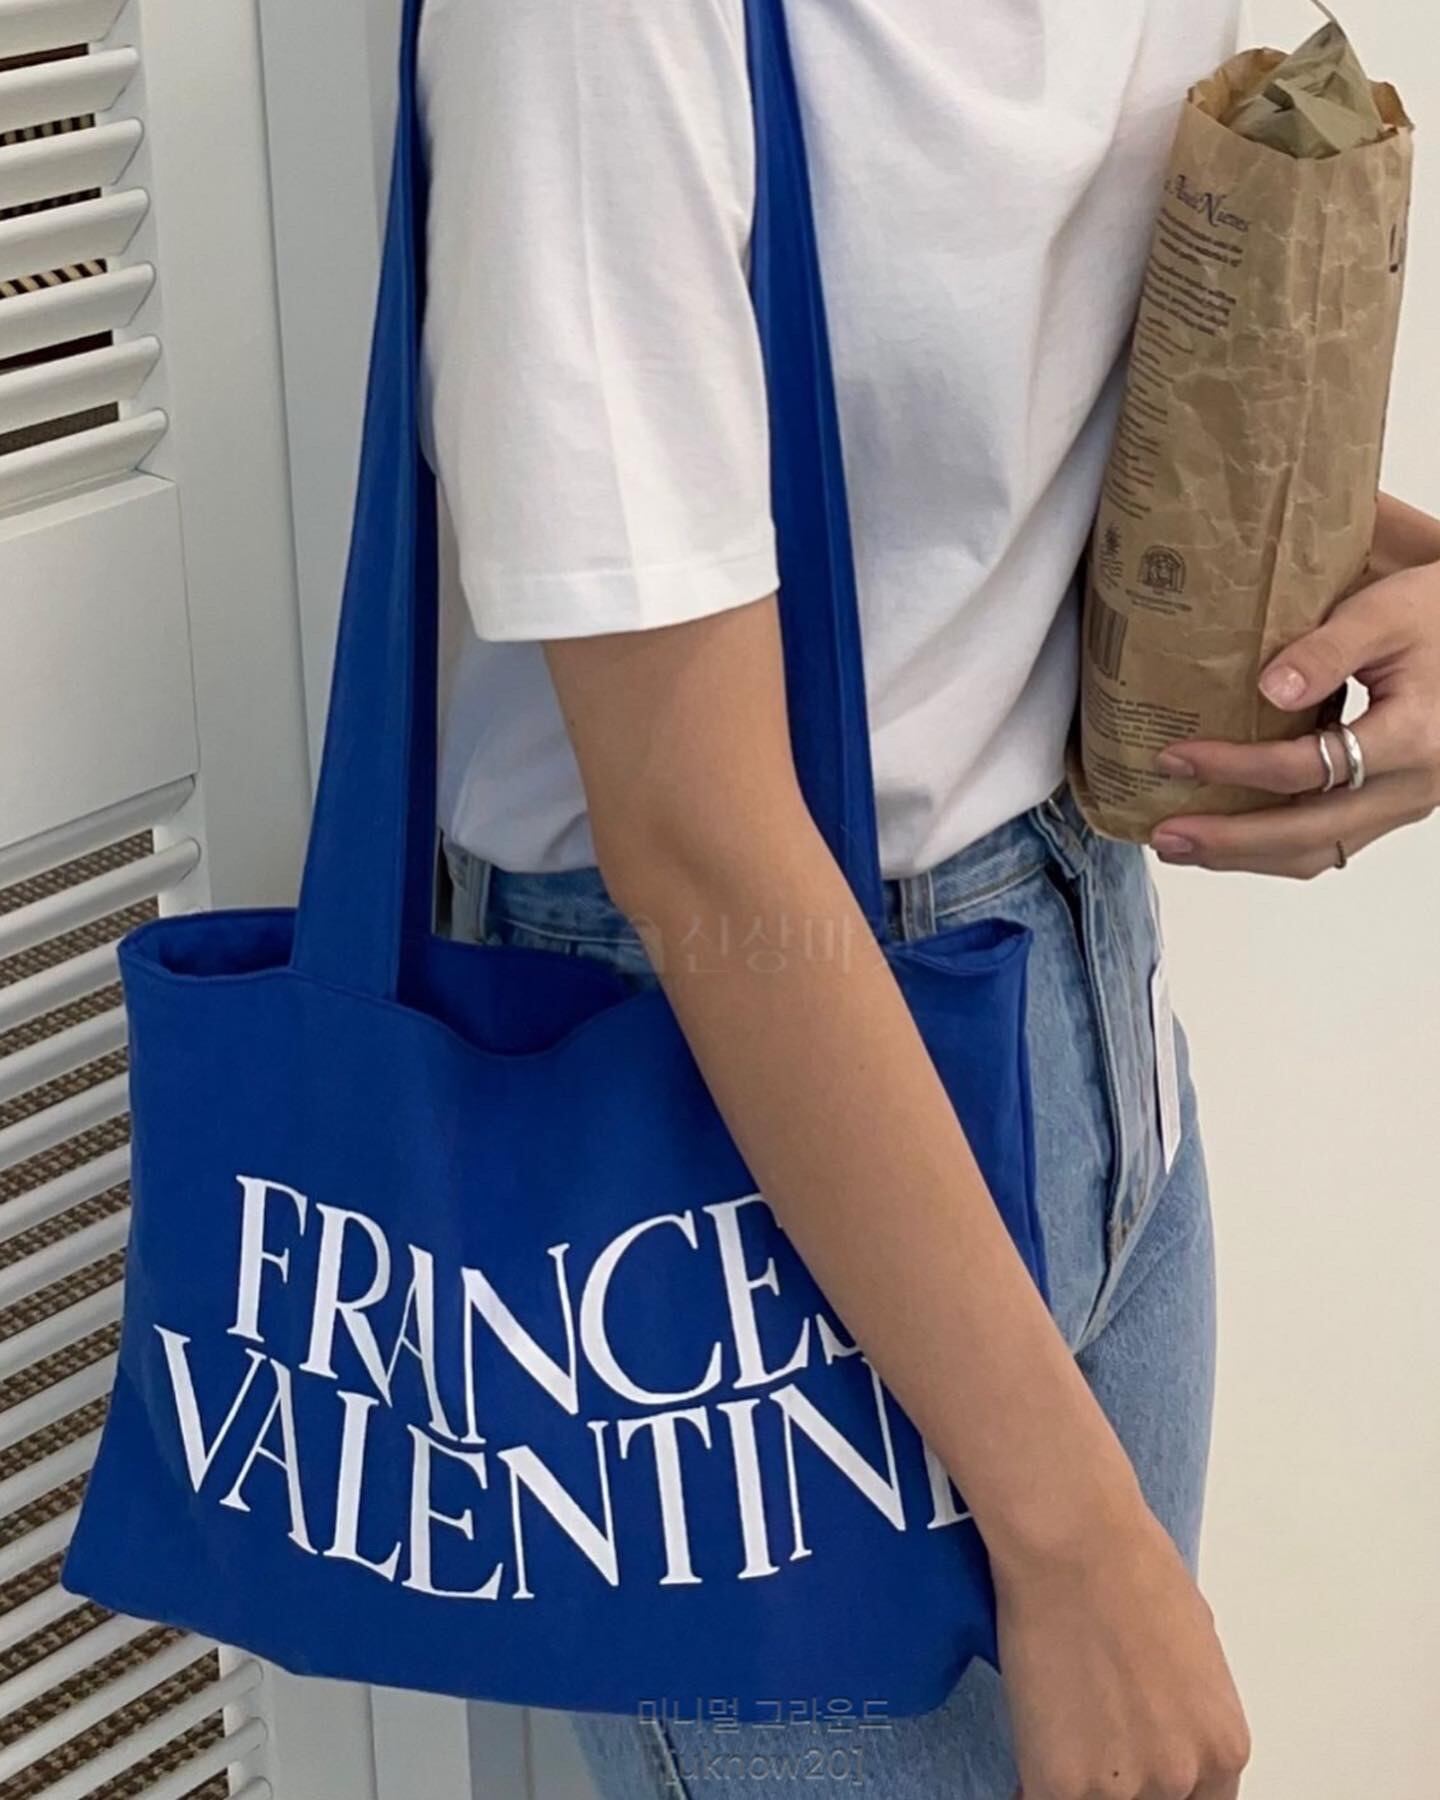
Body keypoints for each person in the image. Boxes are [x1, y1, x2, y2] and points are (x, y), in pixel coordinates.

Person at [413, 4, 1440, 1795]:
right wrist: (1074, 1539)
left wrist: (1372, 597)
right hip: (737, 1071)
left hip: (1090, 1003)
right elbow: (690, 821)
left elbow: (1033, 416)